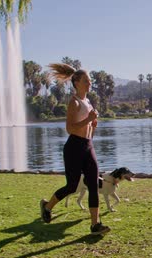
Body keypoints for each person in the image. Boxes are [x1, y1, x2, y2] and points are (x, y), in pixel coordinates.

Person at [39, 63, 110, 234]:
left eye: (90, 81)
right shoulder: (74, 103)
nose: (89, 83)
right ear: (77, 82)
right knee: (72, 186)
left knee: (94, 183)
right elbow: (70, 129)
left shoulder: (88, 102)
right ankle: (47, 206)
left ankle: (95, 225)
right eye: (86, 81)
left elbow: (88, 132)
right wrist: (88, 120)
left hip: (87, 145)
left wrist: (93, 125)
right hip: (74, 147)